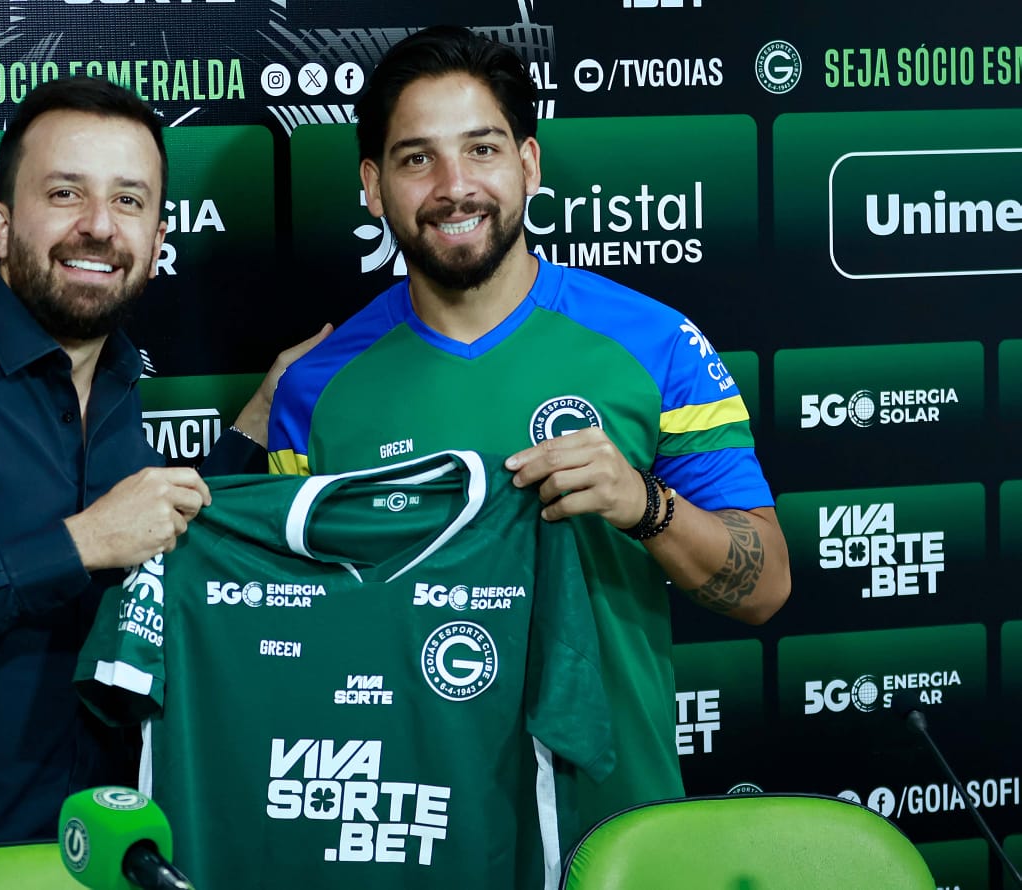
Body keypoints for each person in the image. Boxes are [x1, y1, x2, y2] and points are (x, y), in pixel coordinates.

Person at [0, 76, 326, 888]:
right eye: (66, 193)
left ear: (158, 237)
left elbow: (149, 545)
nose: (99, 226)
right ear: (0, 225)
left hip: (89, 852)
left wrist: (258, 420)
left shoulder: (118, 382)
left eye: (129, 201)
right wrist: (77, 545)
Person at [267, 25, 791, 842]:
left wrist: (644, 504)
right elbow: (292, 631)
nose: (454, 187)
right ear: (373, 186)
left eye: (482, 150)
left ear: (529, 164)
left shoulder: (654, 343)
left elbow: (765, 589)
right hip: (411, 831)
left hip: (614, 826)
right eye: (416, 159)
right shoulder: (314, 390)